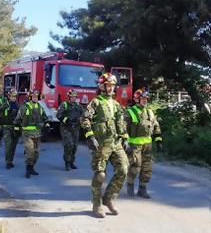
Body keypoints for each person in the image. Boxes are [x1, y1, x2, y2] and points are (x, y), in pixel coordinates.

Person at [80, 72, 129, 218]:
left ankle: (109, 198)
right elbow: (85, 119)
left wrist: (124, 137)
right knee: (100, 174)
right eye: (107, 85)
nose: (110, 88)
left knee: (123, 170)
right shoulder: (95, 102)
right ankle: (96, 205)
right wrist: (90, 137)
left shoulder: (116, 104)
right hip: (101, 144)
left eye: (112, 86)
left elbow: (121, 122)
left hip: (116, 143)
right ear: (101, 86)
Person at [125, 88, 162, 198]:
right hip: (134, 145)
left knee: (147, 167)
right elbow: (123, 127)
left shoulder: (149, 112)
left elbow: (156, 126)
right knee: (135, 166)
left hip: (148, 145)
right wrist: (125, 141)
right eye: (143, 99)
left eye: (146, 98)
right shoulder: (130, 112)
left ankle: (142, 189)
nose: (145, 100)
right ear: (137, 99)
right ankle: (130, 185)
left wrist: (158, 139)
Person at [14, 89, 50, 178]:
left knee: (36, 153)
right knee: (30, 152)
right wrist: (16, 128)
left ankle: (32, 167)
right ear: (30, 97)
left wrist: (47, 124)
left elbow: (45, 118)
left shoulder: (40, 107)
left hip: (37, 133)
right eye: (33, 96)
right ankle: (27, 169)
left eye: (37, 97)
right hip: (27, 133)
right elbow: (17, 119)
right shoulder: (24, 107)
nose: (35, 98)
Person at [56, 89, 83, 171]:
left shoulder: (78, 106)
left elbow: (84, 114)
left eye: (75, 97)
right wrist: (66, 120)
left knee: (75, 146)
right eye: (72, 97)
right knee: (69, 144)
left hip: (76, 128)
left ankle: (71, 161)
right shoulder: (64, 104)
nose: (74, 98)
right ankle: (67, 162)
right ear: (69, 97)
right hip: (66, 128)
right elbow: (58, 115)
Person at [0, 88, 20, 169]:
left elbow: (21, 117)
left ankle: (11, 160)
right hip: (6, 127)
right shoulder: (5, 105)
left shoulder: (18, 106)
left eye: (15, 96)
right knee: (8, 144)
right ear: (9, 96)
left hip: (15, 128)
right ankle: (8, 162)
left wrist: (19, 128)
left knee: (13, 146)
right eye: (12, 96)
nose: (13, 98)